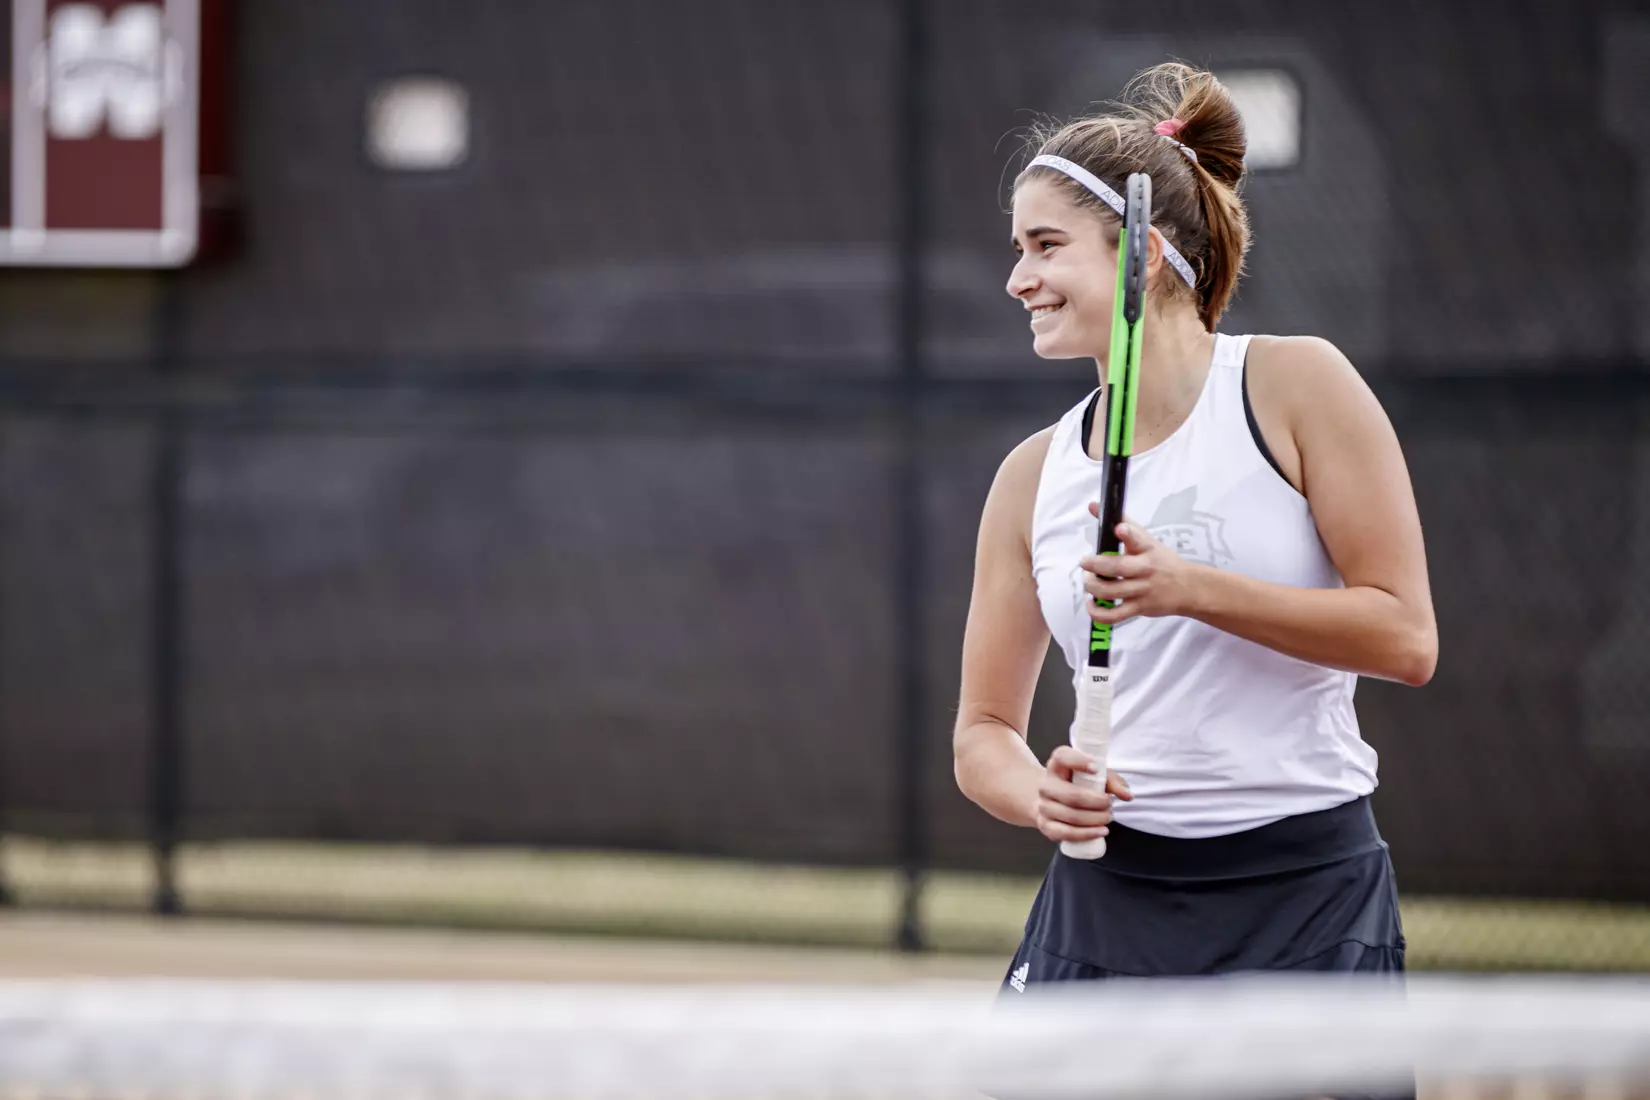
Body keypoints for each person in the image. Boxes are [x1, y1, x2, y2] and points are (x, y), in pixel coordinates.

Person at [952, 61, 1438, 1000]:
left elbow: (1405, 638)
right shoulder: (1030, 477)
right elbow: (982, 733)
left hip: (1307, 894)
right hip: (1106, 896)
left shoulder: (1299, 386)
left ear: (1143, 250)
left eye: (1046, 246)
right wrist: (1038, 797)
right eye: (1017, 249)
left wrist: (1191, 589)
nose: (1018, 278)